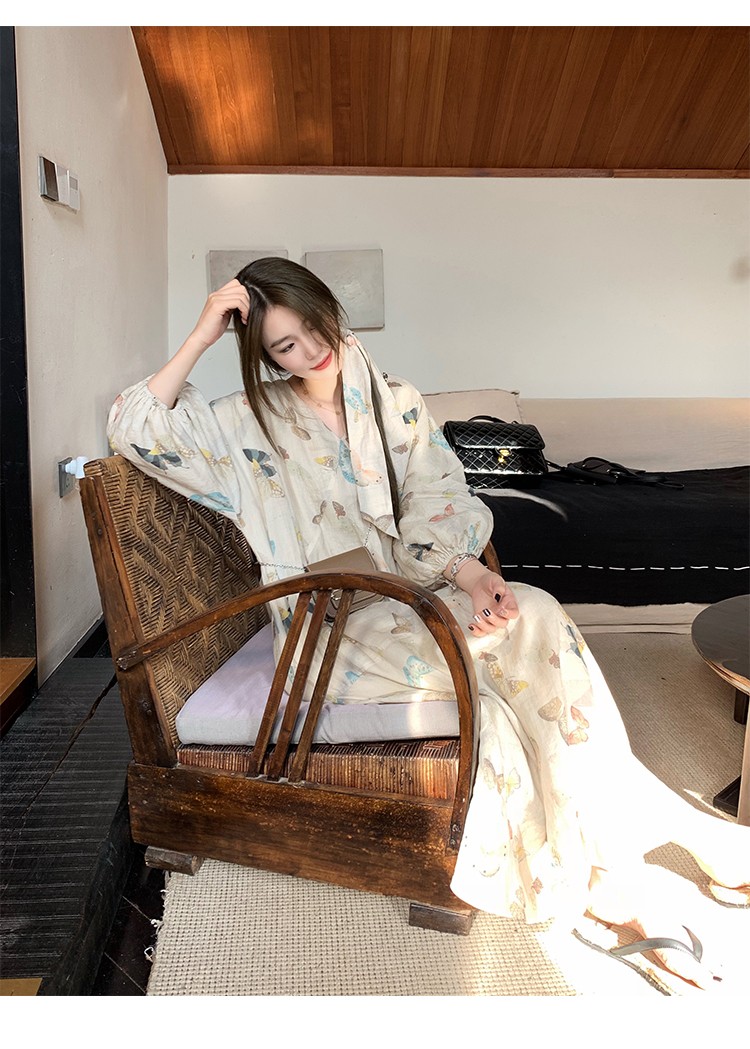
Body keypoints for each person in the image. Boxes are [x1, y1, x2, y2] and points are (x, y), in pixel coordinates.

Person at [108, 257, 748, 991]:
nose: (310, 351)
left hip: (416, 600)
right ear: (265, 356)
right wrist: (201, 333)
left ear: (329, 310)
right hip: (332, 628)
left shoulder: (398, 403)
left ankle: (624, 869)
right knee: (510, 689)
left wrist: (472, 575)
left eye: (313, 327)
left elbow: (434, 501)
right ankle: (652, 865)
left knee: (535, 616)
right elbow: (133, 427)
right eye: (284, 346)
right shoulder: (242, 421)